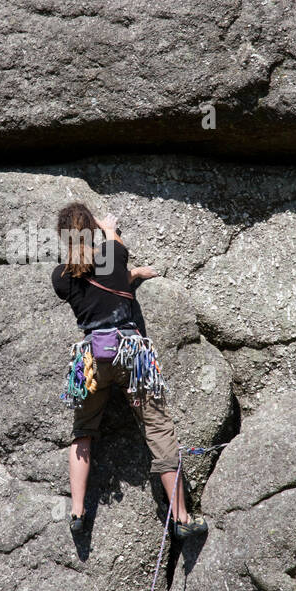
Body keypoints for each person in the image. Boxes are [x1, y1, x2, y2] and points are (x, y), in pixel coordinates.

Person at [51, 201, 207, 540]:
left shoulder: (60, 277)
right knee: (158, 430)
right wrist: (107, 227)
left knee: (83, 431)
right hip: (130, 354)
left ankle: (77, 511)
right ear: (91, 228)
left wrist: (129, 274)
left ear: (63, 237)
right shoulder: (113, 254)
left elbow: (89, 280)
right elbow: (114, 256)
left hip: (92, 360)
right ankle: (180, 517)